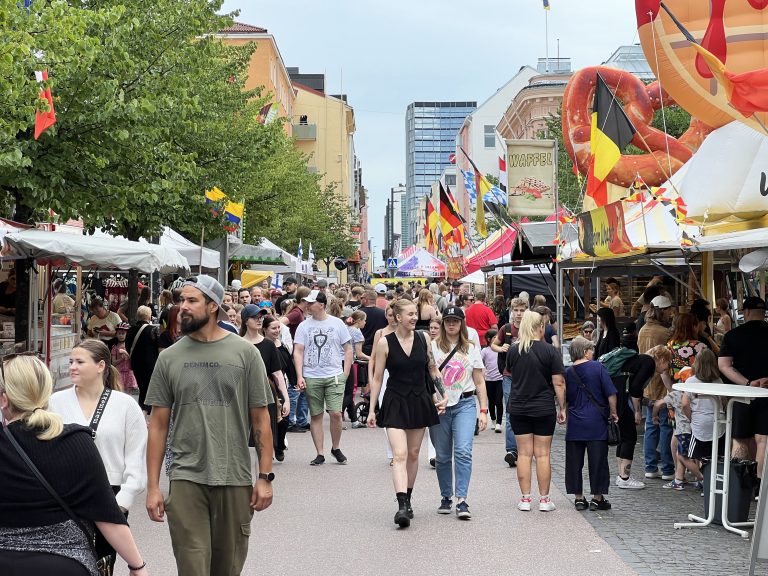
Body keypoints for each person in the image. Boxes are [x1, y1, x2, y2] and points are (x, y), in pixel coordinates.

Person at [145, 275, 274, 576]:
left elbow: (261, 418)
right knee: (192, 566)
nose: (183, 307)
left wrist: (265, 476)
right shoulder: (169, 358)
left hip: (234, 475)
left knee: (227, 567)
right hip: (186, 475)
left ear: (213, 306)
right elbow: (158, 425)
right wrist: (153, 487)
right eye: (180, 301)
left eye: (192, 301)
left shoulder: (246, 353)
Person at [0, 354, 148, 576]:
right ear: (46, 393)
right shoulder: (76, 441)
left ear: (4, 399)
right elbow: (106, 514)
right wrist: (137, 566)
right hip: (65, 564)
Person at [50, 339, 148, 572]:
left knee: (102, 564)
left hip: (109, 494)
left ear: (100, 366)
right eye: (71, 361)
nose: (72, 366)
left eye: (79, 362)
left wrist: (121, 502)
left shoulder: (125, 405)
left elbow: (135, 459)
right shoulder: (54, 403)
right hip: (65, 496)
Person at [367, 299, 444, 528]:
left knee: (413, 454)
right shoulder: (384, 343)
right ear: (398, 317)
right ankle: (401, 505)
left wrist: (442, 393)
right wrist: (372, 409)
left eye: (415, 314)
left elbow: (432, 368)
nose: (414, 318)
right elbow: (378, 377)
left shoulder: (424, 339)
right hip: (395, 401)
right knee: (399, 455)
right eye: (409, 314)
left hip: (419, 399)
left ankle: (408, 499)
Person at [430, 306, 488, 519]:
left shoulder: (471, 348)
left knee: (463, 451)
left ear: (462, 323)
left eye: (455, 320)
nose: (451, 324)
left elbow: (480, 381)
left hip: (465, 403)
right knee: (443, 456)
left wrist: (483, 410)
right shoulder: (433, 347)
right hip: (439, 407)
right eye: (448, 321)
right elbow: (427, 378)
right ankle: (446, 496)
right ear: (443, 323)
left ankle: (462, 499)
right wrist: (433, 399)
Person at [506, 310, 566, 512]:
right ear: (541, 327)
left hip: (519, 406)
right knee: (542, 454)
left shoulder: (514, 351)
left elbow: (511, 374)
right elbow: (559, 382)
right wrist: (562, 407)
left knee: (523, 454)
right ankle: (544, 500)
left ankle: (525, 499)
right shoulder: (550, 351)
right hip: (543, 407)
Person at [293, 290, 353, 465]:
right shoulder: (304, 326)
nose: (308, 305)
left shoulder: (337, 324)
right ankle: (320, 453)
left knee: (335, 413)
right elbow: (298, 351)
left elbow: (348, 349)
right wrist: (300, 375)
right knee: (316, 415)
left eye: (311, 303)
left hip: (334, 374)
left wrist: (345, 374)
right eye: (307, 303)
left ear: (321, 304)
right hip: (312, 375)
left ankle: (336, 447)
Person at [564, 336, 618, 511]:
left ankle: (579, 498)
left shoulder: (568, 372)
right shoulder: (598, 367)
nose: (593, 353)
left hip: (575, 423)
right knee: (598, 461)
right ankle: (597, 497)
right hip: (596, 422)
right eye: (592, 350)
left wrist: (563, 412)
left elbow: (565, 398)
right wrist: (614, 412)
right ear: (585, 352)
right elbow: (610, 393)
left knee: (574, 461)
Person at [718, 296, 768, 478]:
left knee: (740, 439)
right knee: (764, 440)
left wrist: (747, 383)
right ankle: (761, 484)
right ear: (763, 313)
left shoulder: (733, 335)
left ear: (746, 312)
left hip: (740, 394)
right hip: (767, 393)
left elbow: (724, 365)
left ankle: (738, 482)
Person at [240, 305, 290, 462]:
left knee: (265, 432)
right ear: (245, 321)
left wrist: (285, 398)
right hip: (242, 392)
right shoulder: (237, 344)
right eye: (255, 317)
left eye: (260, 317)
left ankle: (264, 472)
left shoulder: (268, 344)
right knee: (242, 432)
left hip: (265, 390)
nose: (259, 319)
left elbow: (277, 373)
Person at [490, 296, 528, 467]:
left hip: (528, 376)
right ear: (512, 311)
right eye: (516, 310)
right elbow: (493, 344)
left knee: (526, 411)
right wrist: (501, 347)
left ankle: (525, 448)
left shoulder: (531, 329)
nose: (519, 314)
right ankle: (511, 450)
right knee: (510, 411)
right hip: (509, 375)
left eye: (522, 310)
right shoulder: (506, 328)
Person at [126, 305, 159, 415]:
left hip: (136, 363)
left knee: (142, 387)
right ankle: (146, 411)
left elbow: (127, 346)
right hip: (151, 364)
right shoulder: (153, 330)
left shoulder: (131, 330)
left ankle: (142, 410)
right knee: (149, 387)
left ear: (138, 316)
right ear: (149, 316)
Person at [345, 310, 370, 429]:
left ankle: (354, 420)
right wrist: (372, 358)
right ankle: (337, 411)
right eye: (364, 320)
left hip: (341, 361)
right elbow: (359, 354)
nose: (365, 322)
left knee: (348, 391)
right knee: (350, 392)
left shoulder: (347, 328)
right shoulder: (357, 333)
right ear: (359, 321)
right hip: (351, 363)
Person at [482, 329, 504, 433]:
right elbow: (480, 363)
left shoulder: (500, 349)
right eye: (494, 337)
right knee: (491, 401)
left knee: (499, 401)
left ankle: (499, 423)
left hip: (500, 378)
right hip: (489, 379)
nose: (497, 339)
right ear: (489, 339)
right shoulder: (485, 351)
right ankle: (493, 420)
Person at [359, 289, 388, 357]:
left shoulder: (359, 313)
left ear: (366, 299)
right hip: (380, 347)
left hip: (363, 348)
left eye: (361, 298)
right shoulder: (383, 313)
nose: (360, 299)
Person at [111, 322, 138, 393]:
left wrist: (125, 352)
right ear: (116, 334)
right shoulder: (115, 347)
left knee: (128, 394)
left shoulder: (130, 346)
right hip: (119, 372)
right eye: (119, 333)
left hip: (129, 372)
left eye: (123, 334)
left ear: (127, 334)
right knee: (120, 392)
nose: (121, 335)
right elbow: (113, 362)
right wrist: (121, 359)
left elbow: (133, 358)